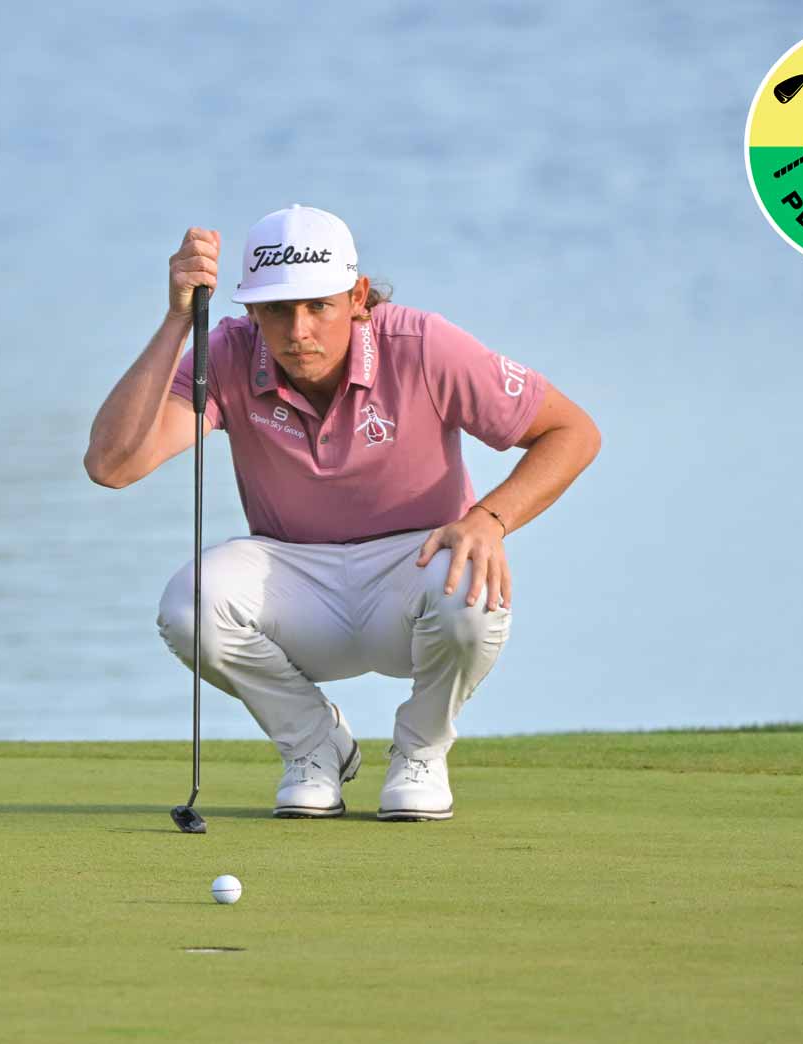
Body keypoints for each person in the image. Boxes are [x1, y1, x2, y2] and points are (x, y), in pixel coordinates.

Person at [83, 204, 601, 821]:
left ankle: (421, 753)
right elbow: (112, 465)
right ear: (250, 310)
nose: (297, 330)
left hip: (414, 570)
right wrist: (176, 321)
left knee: (472, 581)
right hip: (295, 580)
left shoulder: (423, 345)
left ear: (357, 297)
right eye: (277, 309)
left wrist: (489, 519)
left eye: (317, 306)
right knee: (188, 604)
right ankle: (313, 745)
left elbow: (572, 431)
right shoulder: (225, 354)